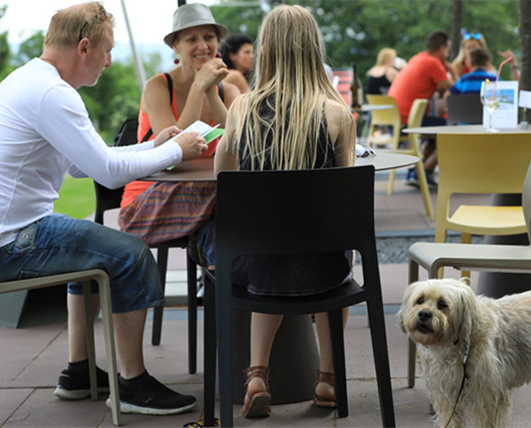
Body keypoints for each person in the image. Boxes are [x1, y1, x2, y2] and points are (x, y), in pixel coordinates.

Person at [0, 2, 205, 415]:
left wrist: (154, 144)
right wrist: (176, 149)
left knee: (95, 249)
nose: (109, 62)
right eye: (107, 51)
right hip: (5, 247)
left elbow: (81, 164)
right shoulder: (52, 94)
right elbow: (107, 173)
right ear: (84, 47)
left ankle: (79, 372)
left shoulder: (32, 82)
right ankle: (132, 384)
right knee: (129, 253)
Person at [214, 4, 355, 419]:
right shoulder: (335, 113)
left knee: (266, 251)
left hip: (256, 268)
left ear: (267, 50)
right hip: (323, 269)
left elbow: (224, 179)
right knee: (336, 263)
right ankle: (327, 379)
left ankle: (257, 374)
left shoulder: (241, 109)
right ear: (313, 49)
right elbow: (344, 198)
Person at [118, 3, 239, 261]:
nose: (203, 46)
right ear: (176, 47)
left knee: (223, 223)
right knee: (234, 198)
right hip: (145, 205)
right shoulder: (158, 87)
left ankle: (221, 286)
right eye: (191, 39)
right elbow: (172, 150)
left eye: (209, 38)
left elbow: (241, 144)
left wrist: (210, 91)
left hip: (207, 202)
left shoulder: (227, 91)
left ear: (218, 43)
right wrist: (198, 87)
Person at [387, 30, 455, 188]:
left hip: (394, 118)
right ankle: (424, 171)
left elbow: (438, 90)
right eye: (448, 50)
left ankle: (417, 172)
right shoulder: (433, 62)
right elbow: (454, 88)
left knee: (435, 133)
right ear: (442, 48)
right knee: (452, 132)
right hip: (408, 119)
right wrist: (451, 70)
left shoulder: (418, 58)